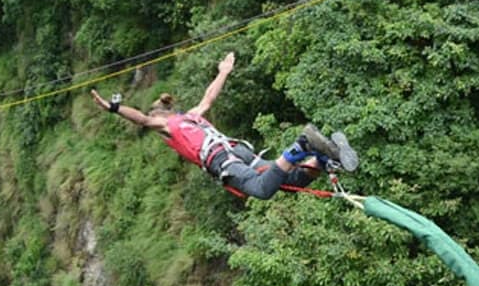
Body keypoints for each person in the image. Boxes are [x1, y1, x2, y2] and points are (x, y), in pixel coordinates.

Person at [90, 52, 358, 199]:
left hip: (223, 160)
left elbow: (142, 119)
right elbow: (209, 97)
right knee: (292, 180)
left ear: (160, 115)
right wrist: (223, 72)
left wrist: (113, 108)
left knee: (262, 189)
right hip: (238, 151)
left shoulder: (168, 124)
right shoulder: (192, 115)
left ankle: (301, 146)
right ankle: (323, 158)